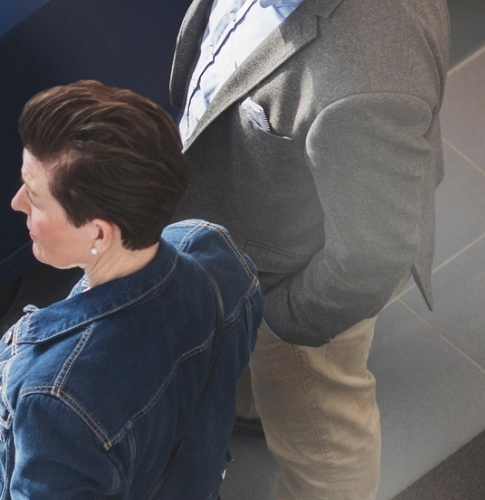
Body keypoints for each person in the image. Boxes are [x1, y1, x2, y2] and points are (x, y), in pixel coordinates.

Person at [168, 0, 449, 497]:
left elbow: (370, 255)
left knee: (322, 438)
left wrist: (284, 319)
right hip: (253, 229)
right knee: (265, 377)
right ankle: (253, 402)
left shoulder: (366, 71)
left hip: (294, 278)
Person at [0, 81, 264, 499]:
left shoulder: (54, 400)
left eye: (35, 197)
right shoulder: (212, 251)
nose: (17, 202)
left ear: (100, 233)